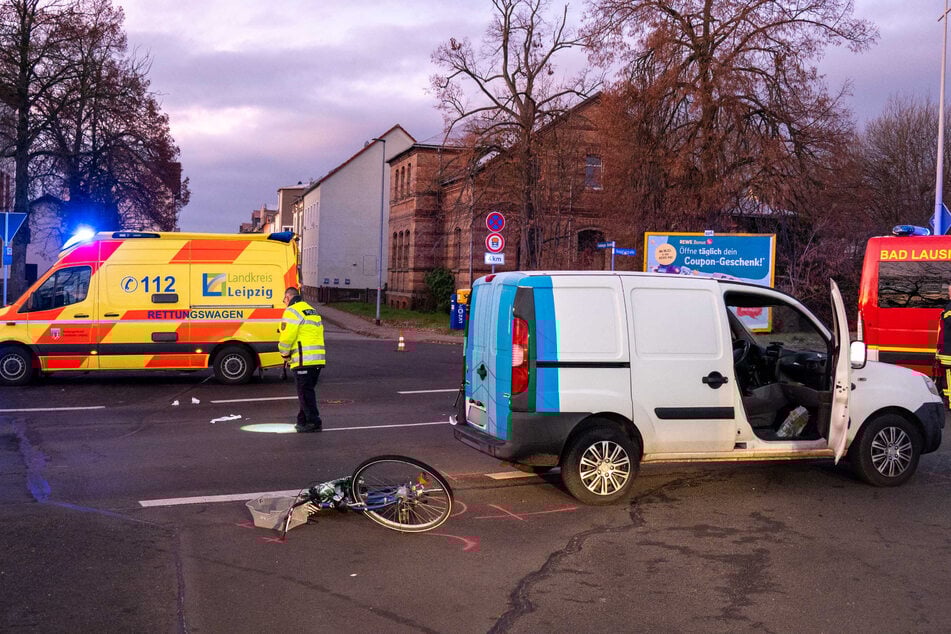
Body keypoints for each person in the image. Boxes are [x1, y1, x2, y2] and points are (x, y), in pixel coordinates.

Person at [279, 287, 326, 432]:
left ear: (288, 297)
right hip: (317, 360)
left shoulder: (292, 311)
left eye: (284, 300)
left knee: (305, 393)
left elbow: (286, 338)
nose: (284, 303)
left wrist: (284, 354)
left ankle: (314, 422)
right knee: (306, 393)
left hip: (303, 360)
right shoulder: (311, 310)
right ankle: (302, 421)